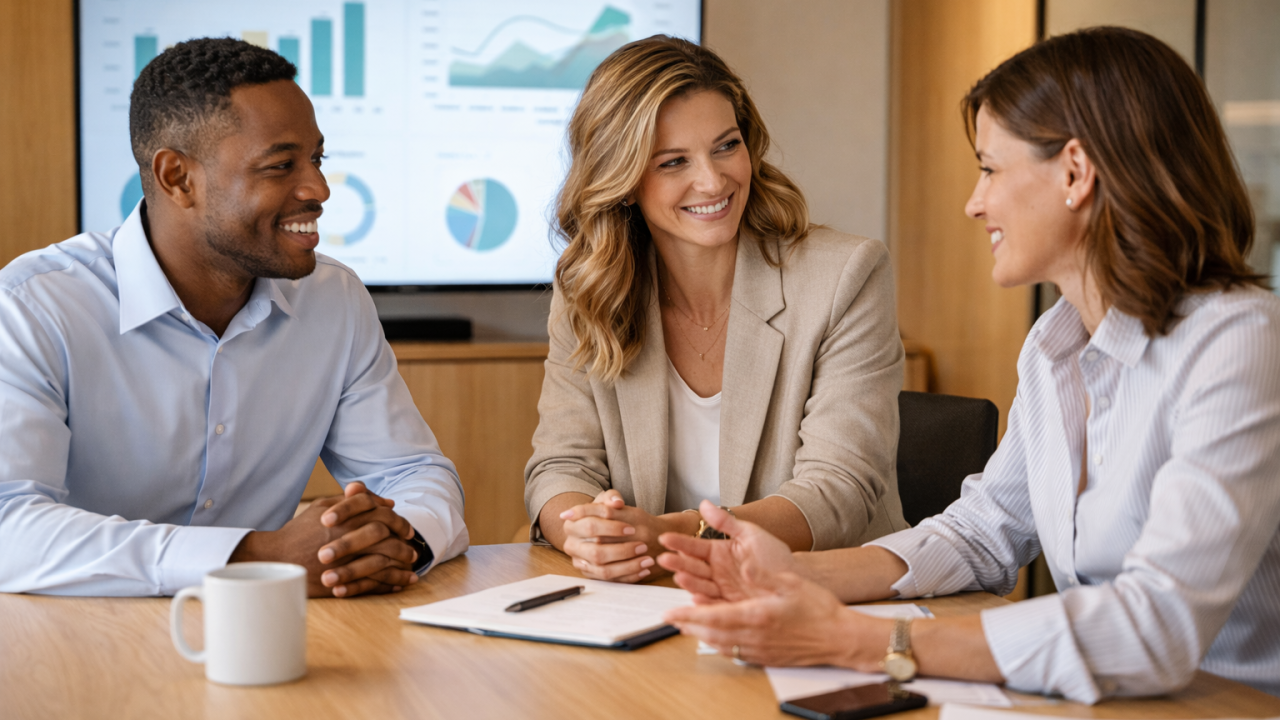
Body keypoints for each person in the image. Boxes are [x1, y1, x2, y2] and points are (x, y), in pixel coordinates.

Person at [658, 27, 1280, 702]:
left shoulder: (1239, 343)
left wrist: (859, 642)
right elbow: (984, 533)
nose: (974, 201)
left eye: (989, 168)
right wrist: (792, 576)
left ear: (1075, 172)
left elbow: (1156, 624)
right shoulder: (1057, 342)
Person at [0, 38, 468, 597]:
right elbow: (10, 527)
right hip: (77, 642)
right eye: (280, 166)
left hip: (267, 636)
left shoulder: (333, 300)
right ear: (178, 178)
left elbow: (414, 474)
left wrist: (392, 542)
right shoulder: (33, 308)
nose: (317, 189)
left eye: (317, 160)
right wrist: (253, 557)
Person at [524, 35, 909, 584]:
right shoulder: (589, 287)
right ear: (624, 181)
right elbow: (561, 465)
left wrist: (674, 538)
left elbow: (837, 492)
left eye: (726, 146)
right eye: (674, 161)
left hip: (821, 596)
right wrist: (586, 533)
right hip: (650, 599)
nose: (713, 180)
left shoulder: (846, 275)